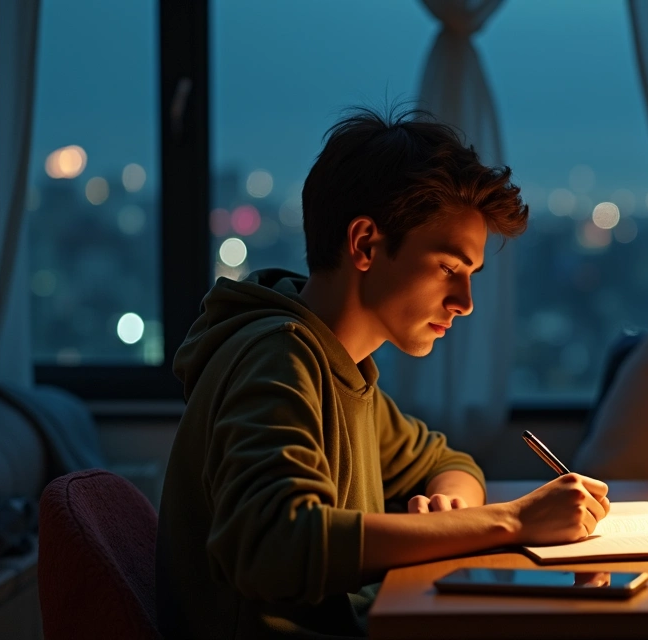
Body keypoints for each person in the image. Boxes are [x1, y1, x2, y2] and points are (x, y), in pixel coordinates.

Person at [155, 107, 612, 639]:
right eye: (448, 268)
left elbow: (446, 459)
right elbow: (273, 544)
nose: (465, 302)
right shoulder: (279, 358)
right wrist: (511, 522)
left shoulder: (343, 367)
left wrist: (450, 511)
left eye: (471, 276)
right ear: (366, 244)